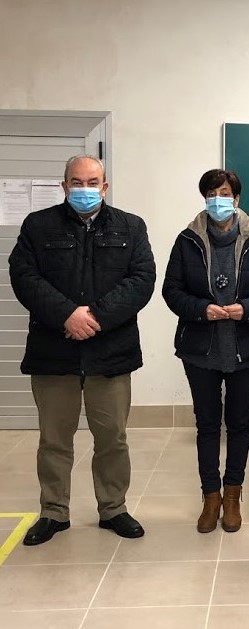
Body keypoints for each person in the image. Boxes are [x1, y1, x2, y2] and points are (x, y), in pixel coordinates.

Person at [9, 154, 156, 546]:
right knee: (54, 439)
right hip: (53, 352)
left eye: (92, 183)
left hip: (111, 353)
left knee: (113, 438)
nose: (85, 190)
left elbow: (142, 280)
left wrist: (95, 317)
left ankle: (113, 508)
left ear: (104, 187)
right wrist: (66, 315)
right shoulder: (37, 226)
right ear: (64, 186)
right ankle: (53, 511)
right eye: (77, 182)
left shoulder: (131, 226)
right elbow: (24, 277)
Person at [162, 169, 249, 533]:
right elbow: (171, 291)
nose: (218, 200)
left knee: (239, 424)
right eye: (211, 194)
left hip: (246, 347)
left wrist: (248, 308)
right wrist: (201, 309)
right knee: (208, 425)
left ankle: (232, 496)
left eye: (224, 193)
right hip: (201, 349)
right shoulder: (188, 240)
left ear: (236, 199)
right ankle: (210, 497)